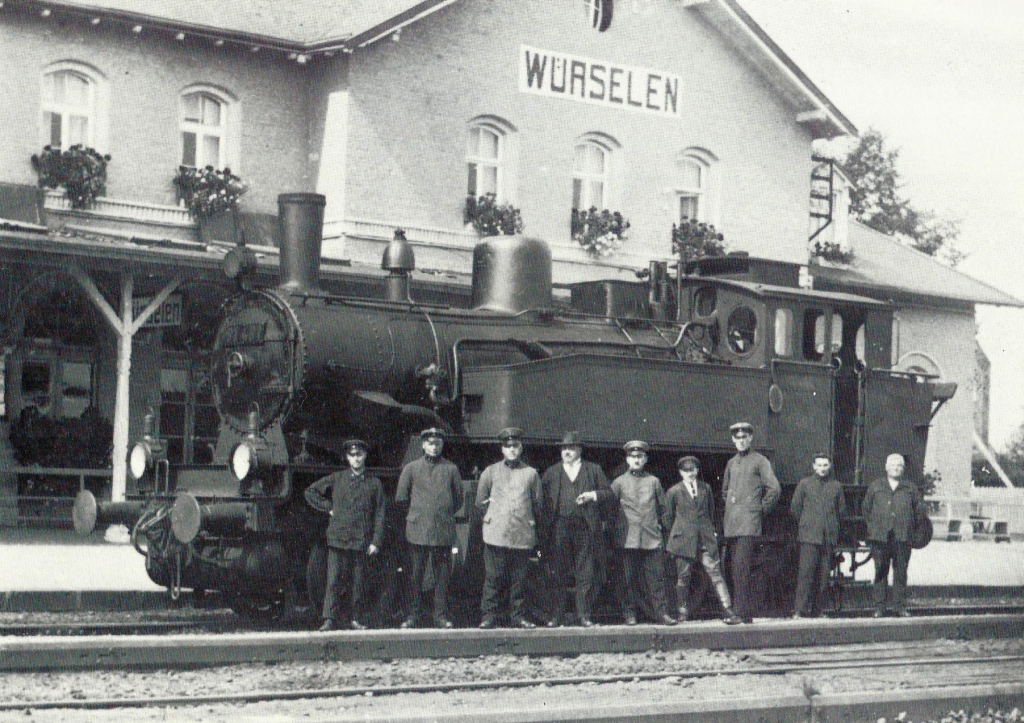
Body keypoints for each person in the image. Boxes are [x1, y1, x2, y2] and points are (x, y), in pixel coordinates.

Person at [304, 439, 386, 631]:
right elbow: (310, 492)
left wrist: (376, 541)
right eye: (352, 455)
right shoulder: (337, 478)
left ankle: (355, 618)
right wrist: (328, 507)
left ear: (365, 456)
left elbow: (380, 514)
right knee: (333, 580)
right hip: (338, 538)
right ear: (347, 458)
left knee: (358, 581)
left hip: (361, 539)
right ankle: (329, 619)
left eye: (359, 455)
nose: (356, 459)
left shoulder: (375, 483)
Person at [540, 431, 613, 628]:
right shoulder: (552, 472)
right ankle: (556, 615)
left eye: (571, 448)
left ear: (579, 450)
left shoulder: (593, 470)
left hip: (585, 528)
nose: (567, 452)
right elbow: (541, 501)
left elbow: (609, 494)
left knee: (585, 572)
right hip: (559, 528)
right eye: (564, 448)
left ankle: (584, 615)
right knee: (558, 573)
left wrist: (593, 495)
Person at [395, 427, 464, 629]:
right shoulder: (411, 468)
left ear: (442, 446)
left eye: (438, 444)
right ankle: (412, 616)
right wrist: (418, 515)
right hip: (418, 531)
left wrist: (440, 513)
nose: (434, 447)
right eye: (430, 443)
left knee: (442, 576)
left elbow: (458, 499)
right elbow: (401, 497)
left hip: (442, 531)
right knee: (415, 575)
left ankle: (440, 616)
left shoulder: (451, 469)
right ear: (423, 445)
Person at [475, 427, 544, 629]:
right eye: (508, 446)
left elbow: (538, 504)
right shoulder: (490, 471)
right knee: (493, 579)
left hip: (521, 534)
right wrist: (495, 518)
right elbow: (480, 502)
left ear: (521, 448)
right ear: (502, 449)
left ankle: (518, 617)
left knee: (519, 581)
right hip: (496, 533)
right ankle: (488, 617)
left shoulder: (531, 474)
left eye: (516, 446)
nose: (512, 449)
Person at [663, 455, 742, 625]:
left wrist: (709, 531)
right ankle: (682, 611)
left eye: (692, 470)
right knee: (683, 577)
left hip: (705, 540)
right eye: (686, 470)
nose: (690, 473)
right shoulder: (674, 491)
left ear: (697, 471)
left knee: (716, 575)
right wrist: (679, 533)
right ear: (680, 473)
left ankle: (727, 609)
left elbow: (711, 512)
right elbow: (667, 518)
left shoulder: (705, 489)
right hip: (684, 541)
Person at [610, 440, 675, 626]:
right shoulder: (618, 483)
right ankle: (629, 614)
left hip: (651, 538)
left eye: (639, 456)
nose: (636, 460)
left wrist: (665, 534)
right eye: (632, 457)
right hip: (628, 539)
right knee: (627, 580)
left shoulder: (653, 481)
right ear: (627, 459)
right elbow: (611, 508)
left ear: (645, 459)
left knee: (655, 579)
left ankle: (661, 613)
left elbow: (663, 509)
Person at [721, 422, 781, 624]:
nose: (741, 441)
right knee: (733, 568)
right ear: (733, 440)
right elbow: (725, 491)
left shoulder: (760, 461)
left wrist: (760, 509)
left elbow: (774, 489)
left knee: (741, 568)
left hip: (748, 524)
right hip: (732, 524)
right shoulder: (731, 463)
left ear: (750, 438)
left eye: (744, 437)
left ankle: (740, 613)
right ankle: (743, 613)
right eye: (737, 438)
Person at [860, 453, 922, 618]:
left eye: (899, 465)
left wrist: (910, 530)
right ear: (886, 468)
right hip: (880, 537)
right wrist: (875, 527)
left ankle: (899, 607)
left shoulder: (910, 488)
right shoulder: (875, 486)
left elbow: (918, 513)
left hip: (902, 537)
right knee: (881, 571)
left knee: (901, 572)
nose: (896, 468)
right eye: (893, 465)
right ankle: (879, 607)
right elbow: (866, 509)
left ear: (903, 469)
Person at [790, 453, 846, 618]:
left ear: (829, 467)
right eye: (819, 465)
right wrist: (809, 524)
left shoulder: (836, 486)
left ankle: (817, 610)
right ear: (814, 466)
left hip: (828, 537)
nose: (822, 469)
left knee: (823, 576)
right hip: (809, 537)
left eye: (825, 465)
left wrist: (832, 527)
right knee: (806, 574)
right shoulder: (805, 484)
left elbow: (841, 511)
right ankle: (799, 610)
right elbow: (795, 508)